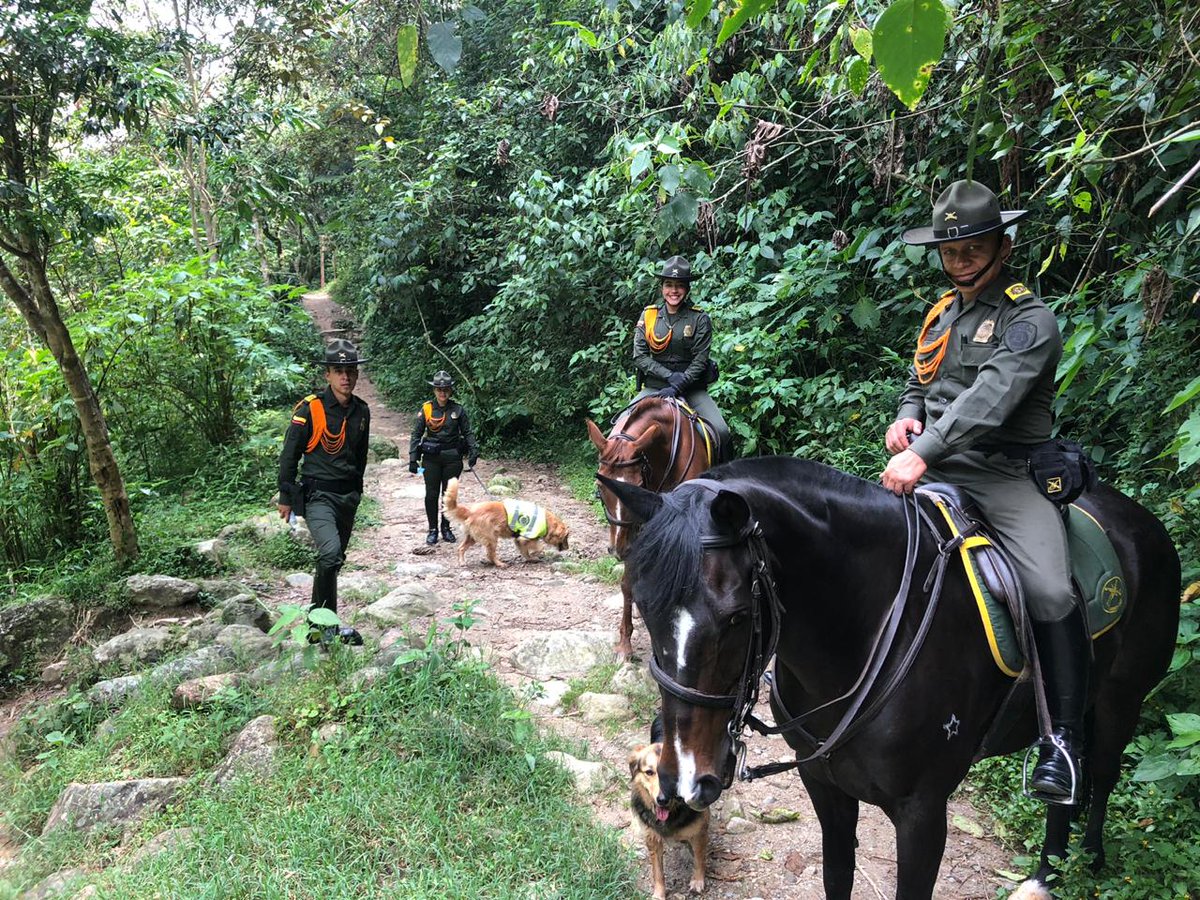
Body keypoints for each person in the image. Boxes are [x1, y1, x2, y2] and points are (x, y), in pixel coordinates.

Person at [880, 179, 1089, 805]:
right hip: (931, 464)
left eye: (972, 246)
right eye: (950, 249)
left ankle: (1064, 743)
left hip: (1001, 474)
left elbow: (989, 402)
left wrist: (922, 451)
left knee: (1051, 588)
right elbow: (922, 379)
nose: (961, 259)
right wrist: (905, 414)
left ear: (1002, 243)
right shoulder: (944, 313)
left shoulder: (1029, 320)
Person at [278, 338, 370, 645]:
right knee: (330, 554)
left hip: (347, 497)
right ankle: (326, 627)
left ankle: (318, 625)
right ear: (327, 375)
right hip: (318, 496)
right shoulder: (310, 410)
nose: (345, 377)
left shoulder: (361, 412)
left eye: (350, 371)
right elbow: (290, 455)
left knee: (335, 559)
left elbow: (360, 456)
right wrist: (285, 497)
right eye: (337, 370)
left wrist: (357, 493)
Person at [632, 255, 731, 461]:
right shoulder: (649, 316)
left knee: (721, 432)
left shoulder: (699, 318)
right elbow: (640, 356)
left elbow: (700, 360)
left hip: (691, 388)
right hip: (655, 387)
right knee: (620, 425)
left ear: (687, 289)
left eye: (679, 285)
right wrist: (669, 377)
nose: (673, 291)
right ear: (662, 287)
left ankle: (725, 480)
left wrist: (679, 385)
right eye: (669, 284)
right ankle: (605, 482)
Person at [408, 370, 479, 545]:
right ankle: (433, 529)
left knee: (449, 495)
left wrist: (473, 450)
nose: (442, 392)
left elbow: (467, 432)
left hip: (452, 458)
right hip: (431, 458)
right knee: (431, 494)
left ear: (450, 390)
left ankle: (446, 528)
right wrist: (412, 457)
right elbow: (416, 434)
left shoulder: (458, 410)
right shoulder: (426, 409)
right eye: (439, 389)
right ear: (434, 391)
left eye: (446, 389)